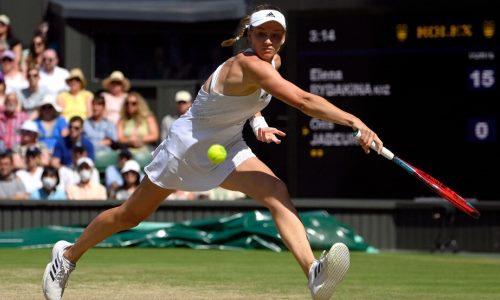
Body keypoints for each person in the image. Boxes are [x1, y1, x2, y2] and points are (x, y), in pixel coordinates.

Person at [42, 6, 383, 300]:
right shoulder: (245, 64)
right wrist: (356, 121)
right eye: (261, 34)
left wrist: (259, 121)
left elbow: (249, 98)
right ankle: (67, 257)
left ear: (283, 39)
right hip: (185, 148)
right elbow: (303, 101)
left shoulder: (271, 62)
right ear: (249, 36)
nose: (268, 41)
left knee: (276, 191)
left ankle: (313, 272)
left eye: (275, 35)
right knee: (130, 216)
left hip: (229, 144)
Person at [117, 92, 159, 157]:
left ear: (139, 104)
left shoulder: (148, 118)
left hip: (146, 150)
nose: (129, 106)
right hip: (127, 151)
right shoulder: (122, 120)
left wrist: (140, 139)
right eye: (127, 103)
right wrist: (130, 141)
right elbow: (120, 138)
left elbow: (154, 135)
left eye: (133, 103)